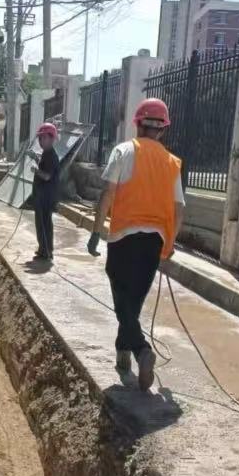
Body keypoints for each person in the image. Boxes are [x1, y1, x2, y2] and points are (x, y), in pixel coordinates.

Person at [87, 98, 185, 391]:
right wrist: (169, 244)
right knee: (134, 301)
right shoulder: (172, 163)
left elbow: (108, 193)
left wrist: (96, 231)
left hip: (123, 237)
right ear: (163, 129)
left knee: (122, 301)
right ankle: (123, 356)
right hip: (155, 240)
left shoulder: (124, 150)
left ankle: (141, 351)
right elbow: (179, 209)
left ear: (138, 124)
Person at [27, 122, 60, 261]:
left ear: (52, 138)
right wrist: (35, 157)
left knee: (45, 224)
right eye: (40, 138)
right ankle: (43, 249)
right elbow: (44, 166)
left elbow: (47, 176)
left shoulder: (51, 155)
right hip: (41, 196)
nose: (41, 141)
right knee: (41, 224)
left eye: (44, 137)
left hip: (46, 197)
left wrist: (35, 170)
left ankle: (47, 251)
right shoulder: (46, 154)